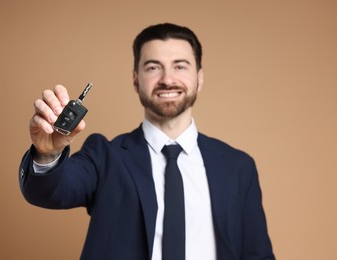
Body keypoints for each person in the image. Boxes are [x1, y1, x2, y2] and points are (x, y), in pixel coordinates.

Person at [19, 23, 275, 260]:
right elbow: (49, 192)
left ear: (200, 77)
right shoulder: (105, 156)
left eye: (180, 66)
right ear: (135, 78)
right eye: (153, 67)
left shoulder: (238, 167)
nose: (167, 79)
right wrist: (47, 153)